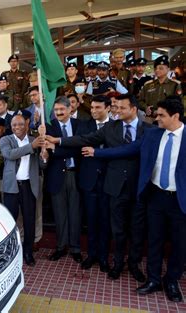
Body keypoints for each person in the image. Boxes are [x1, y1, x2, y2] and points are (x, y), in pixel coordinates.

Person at [84, 97, 185, 302]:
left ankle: (172, 281)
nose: (156, 118)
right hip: (155, 196)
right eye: (156, 114)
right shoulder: (153, 134)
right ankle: (153, 279)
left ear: (175, 116)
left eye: (161, 115)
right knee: (154, 239)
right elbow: (126, 149)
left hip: (179, 200)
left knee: (179, 243)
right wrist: (98, 152)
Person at [46, 94, 153, 282]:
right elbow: (82, 139)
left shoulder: (149, 129)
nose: (117, 111)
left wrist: (98, 152)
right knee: (113, 227)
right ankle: (115, 262)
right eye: (116, 107)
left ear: (134, 109)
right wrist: (58, 141)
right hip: (107, 185)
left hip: (136, 187)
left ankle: (133, 264)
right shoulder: (111, 128)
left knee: (135, 230)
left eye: (120, 108)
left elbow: (130, 149)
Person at [0, 112, 47, 266]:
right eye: (14, 125)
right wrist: (31, 147)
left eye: (20, 124)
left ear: (27, 125)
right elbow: (10, 155)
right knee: (10, 220)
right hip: (11, 186)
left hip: (29, 185)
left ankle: (28, 252)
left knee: (29, 220)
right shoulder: (6, 140)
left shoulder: (35, 140)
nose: (17, 127)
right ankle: (10, 251)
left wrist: (44, 156)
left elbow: (42, 166)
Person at [77, 95, 112, 272]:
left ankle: (104, 257)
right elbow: (78, 145)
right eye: (92, 108)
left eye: (98, 107)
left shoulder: (115, 127)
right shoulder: (84, 125)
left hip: (108, 182)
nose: (94, 111)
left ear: (108, 108)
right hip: (89, 180)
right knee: (91, 220)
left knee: (105, 221)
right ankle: (91, 255)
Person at [45, 96, 82, 263]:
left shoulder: (79, 125)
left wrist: (58, 147)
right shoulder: (48, 127)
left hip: (76, 174)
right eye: (56, 110)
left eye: (62, 109)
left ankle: (75, 247)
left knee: (75, 212)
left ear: (70, 109)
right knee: (60, 214)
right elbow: (50, 151)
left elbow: (79, 150)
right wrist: (64, 148)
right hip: (57, 176)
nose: (58, 112)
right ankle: (61, 247)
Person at [138, 55, 182, 122]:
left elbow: (178, 104)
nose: (157, 70)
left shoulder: (175, 85)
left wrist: (162, 111)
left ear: (168, 69)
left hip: (167, 119)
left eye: (161, 68)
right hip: (150, 119)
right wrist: (145, 108)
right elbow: (140, 101)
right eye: (156, 68)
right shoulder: (148, 85)